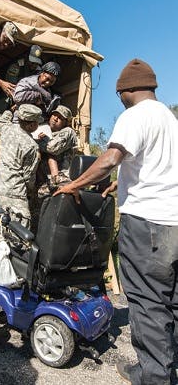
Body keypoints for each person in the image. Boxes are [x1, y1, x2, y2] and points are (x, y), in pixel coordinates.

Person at [53, 58, 178, 385]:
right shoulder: (168, 117)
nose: (119, 98)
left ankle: (154, 378)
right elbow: (155, 167)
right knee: (172, 301)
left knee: (148, 302)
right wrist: (117, 184)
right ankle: (166, 367)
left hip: (148, 223)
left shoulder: (134, 115)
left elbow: (111, 158)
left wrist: (75, 184)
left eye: (120, 93)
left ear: (127, 90)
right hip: (174, 222)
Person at [0, 104, 43, 246]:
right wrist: (32, 192)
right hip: (14, 193)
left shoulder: (7, 129)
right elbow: (28, 177)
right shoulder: (32, 146)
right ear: (32, 125)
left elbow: (0, 121)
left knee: (0, 233)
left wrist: (9, 111)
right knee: (17, 239)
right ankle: (11, 267)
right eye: (37, 122)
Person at [36, 104, 77, 197]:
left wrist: (39, 141)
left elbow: (52, 148)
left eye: (60, 118)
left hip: (61, 181)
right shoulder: (45, 130)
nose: (55, 119)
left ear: (66, 123)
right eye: (54, 115)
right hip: (45, 182)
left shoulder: (68, 131)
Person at [0, 45, 43, 119]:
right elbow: (11, 87)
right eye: (32, 62)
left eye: (36, 63)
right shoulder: (16, 66)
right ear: (26, 57)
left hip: (27, 98)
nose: (34, 65)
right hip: (13, 94)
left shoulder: (39, 72)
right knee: (4, 100)